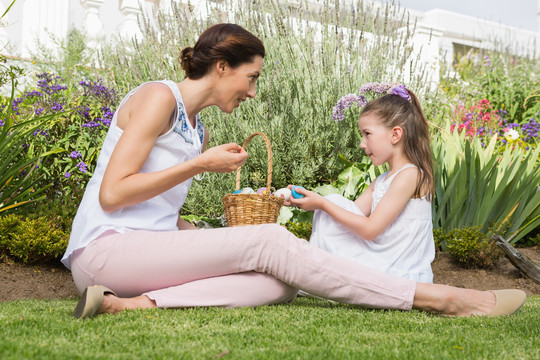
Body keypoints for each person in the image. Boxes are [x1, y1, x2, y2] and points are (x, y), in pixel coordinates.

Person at [62, 23, 526, 320]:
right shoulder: (159, 98)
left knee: (279, 282)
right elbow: (113, 195)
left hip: (135, 260)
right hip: (103, 251)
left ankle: (131, 304)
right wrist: (200, 166)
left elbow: (155, 210)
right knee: (271, 242)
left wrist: (198, 228)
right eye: (252, 77)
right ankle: (443, 298)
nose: (253, 92)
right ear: (222, 67)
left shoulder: (195, 130)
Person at [287, 85, 435, 283]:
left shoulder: (410, 175)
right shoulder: (381, 181)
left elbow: (370, 229)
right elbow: (347, 216)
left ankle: (317, 272)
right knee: (333, 204)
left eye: (367, 134)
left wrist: (322, 203)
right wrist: (309, 201)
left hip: (400, 271)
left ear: (395, 135)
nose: (362, 144)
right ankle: (316, 270)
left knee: (330, 203)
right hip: (384, 261)